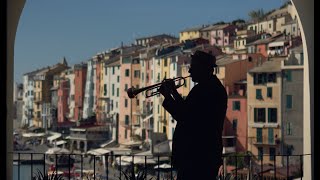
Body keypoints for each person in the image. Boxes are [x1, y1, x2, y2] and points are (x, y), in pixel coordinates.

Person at [159, 50, 227, 180]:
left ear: (202, 68)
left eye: (193, 67)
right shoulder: (209, 88)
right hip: (201, 155)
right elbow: (188, 111)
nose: (189, 72)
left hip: (196, 156)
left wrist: (168, 96)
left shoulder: (205, 90)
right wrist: (173, 92)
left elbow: (185, 117)